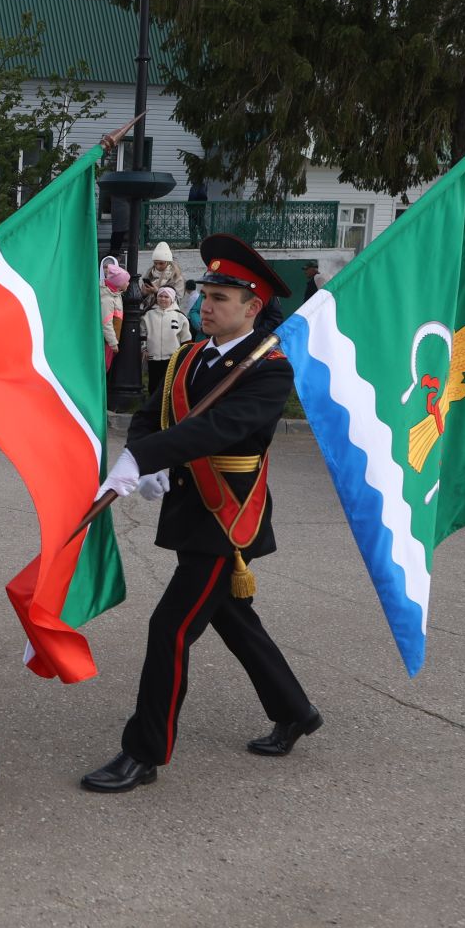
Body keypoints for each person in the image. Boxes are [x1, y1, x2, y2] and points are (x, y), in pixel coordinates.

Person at [82, 235, 320, 794]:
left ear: (253, 308)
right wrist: (143, 457)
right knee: (234, 621)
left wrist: (150, 456)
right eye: (204, 293)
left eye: (218, 298)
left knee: (170, 628)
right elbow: (151, 411)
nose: (204, 305)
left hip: (227, 515)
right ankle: (295, 710)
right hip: (192, 506)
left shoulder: (270, 369)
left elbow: (221, 429)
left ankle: (143, 752)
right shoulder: (189, 354)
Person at [142, 285, 192, 394]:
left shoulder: (180, 316)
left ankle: (166, 407)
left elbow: (186, 339)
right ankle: (152, 408)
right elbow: (143, 334)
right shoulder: (148, 315)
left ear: (172, 299)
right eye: (160, 296)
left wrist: (183, 355)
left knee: (168, 385)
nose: (163, 299)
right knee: (153, 384)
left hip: (172, 357)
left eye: (166, 297)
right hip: (153, 356)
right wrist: (144, 348)